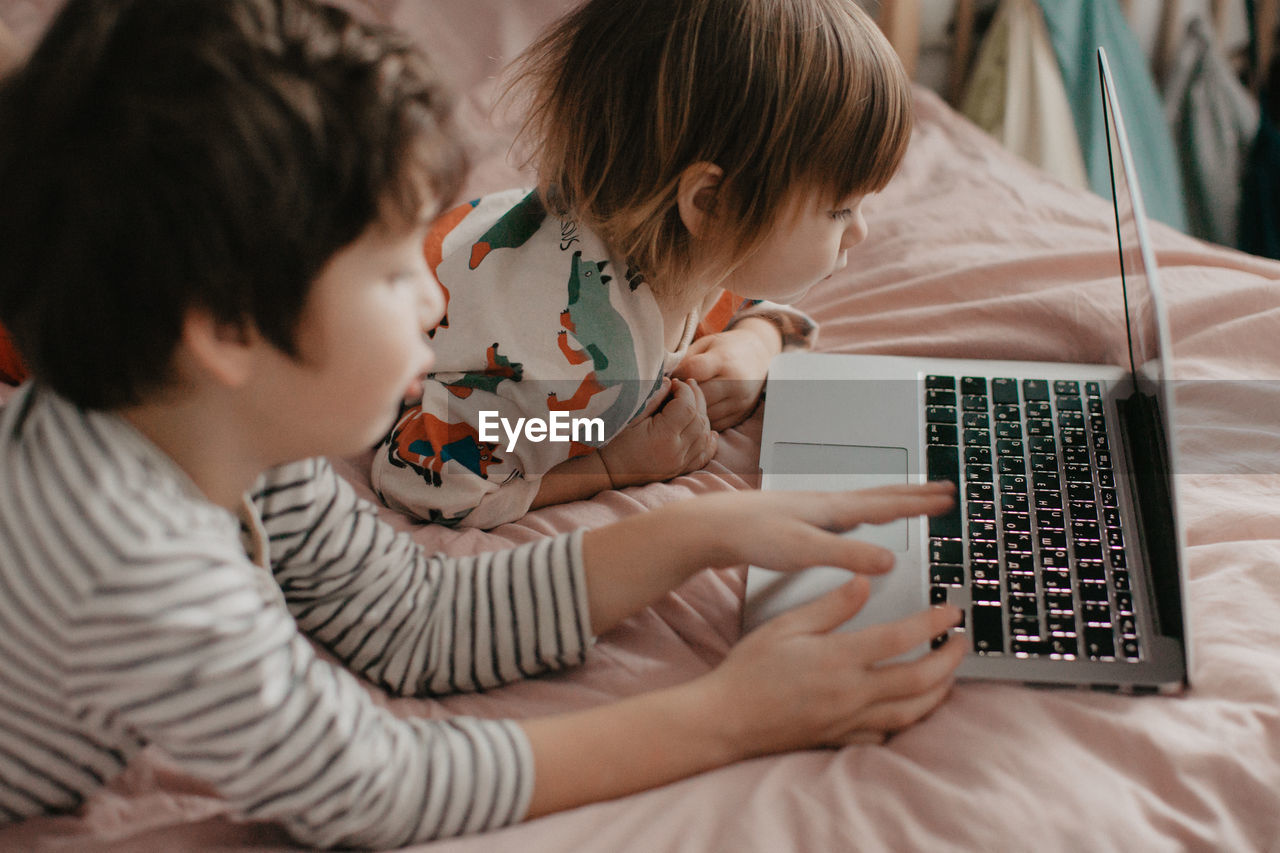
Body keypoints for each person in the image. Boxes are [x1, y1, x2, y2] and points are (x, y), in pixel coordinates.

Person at [0, 0, 963, 847]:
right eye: (389, 273)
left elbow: (412, 620)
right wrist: (731, 715)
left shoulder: (219, 436)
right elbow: (378, 787)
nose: (433, 302)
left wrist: (704, 531)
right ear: (226, 329)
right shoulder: (131, 561)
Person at [371, 0, 913, 528]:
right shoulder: (570, 378)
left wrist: (754, 346)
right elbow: (426, 478)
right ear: (709, 204)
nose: (860, 231)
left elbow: (763, 305)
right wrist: (613, 466)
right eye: (841, 208)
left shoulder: (680, 251)